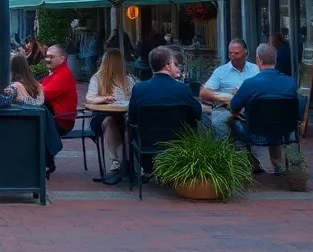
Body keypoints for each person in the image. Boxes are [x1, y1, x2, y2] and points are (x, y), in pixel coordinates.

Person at [126, 46, 202, 176]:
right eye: (173, 63)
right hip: (179, 140)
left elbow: (132, 117)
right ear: (168, 65)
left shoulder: (139, 89)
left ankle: (145, 168)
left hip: (147, 141)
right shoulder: (182, 89)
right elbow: (198, 113)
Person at [230, 43, 301, 175]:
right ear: (276, 59)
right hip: (284, 129)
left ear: (259, 59)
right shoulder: (290, 82)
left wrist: (237, 94)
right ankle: (278, 164)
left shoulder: (250, 83)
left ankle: (252, 163)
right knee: (273, 122)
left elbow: (234, 106)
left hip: (255, 131)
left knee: (232, 121)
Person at [85, 48, 136, 184]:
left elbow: (135, 97)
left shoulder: (128, 80)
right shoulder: (98, 79)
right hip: (102, 116)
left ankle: (128, 162)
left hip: (124, 115)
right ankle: (115, 162)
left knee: (129, 125)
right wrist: (104, 98)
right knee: (110, 121)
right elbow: (89, 98)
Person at [200, 39, 259, 139]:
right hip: (226, 108)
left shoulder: (255, 69)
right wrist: (223, 97)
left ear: (246, 53)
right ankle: (224, 152)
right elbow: (203, 92)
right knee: (219, 122)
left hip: (251, 107)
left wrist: (242, 94)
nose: (232, 56)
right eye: (230, 53)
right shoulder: (221, 71)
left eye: (236, 53)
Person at [40, 44, 78, 136]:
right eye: (47, 56)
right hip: (57, 119)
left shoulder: (63, 75)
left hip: (61, 122)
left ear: (62, 58)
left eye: (51, 57)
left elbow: (43, 94)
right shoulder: (56, 73)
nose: (47, 60)